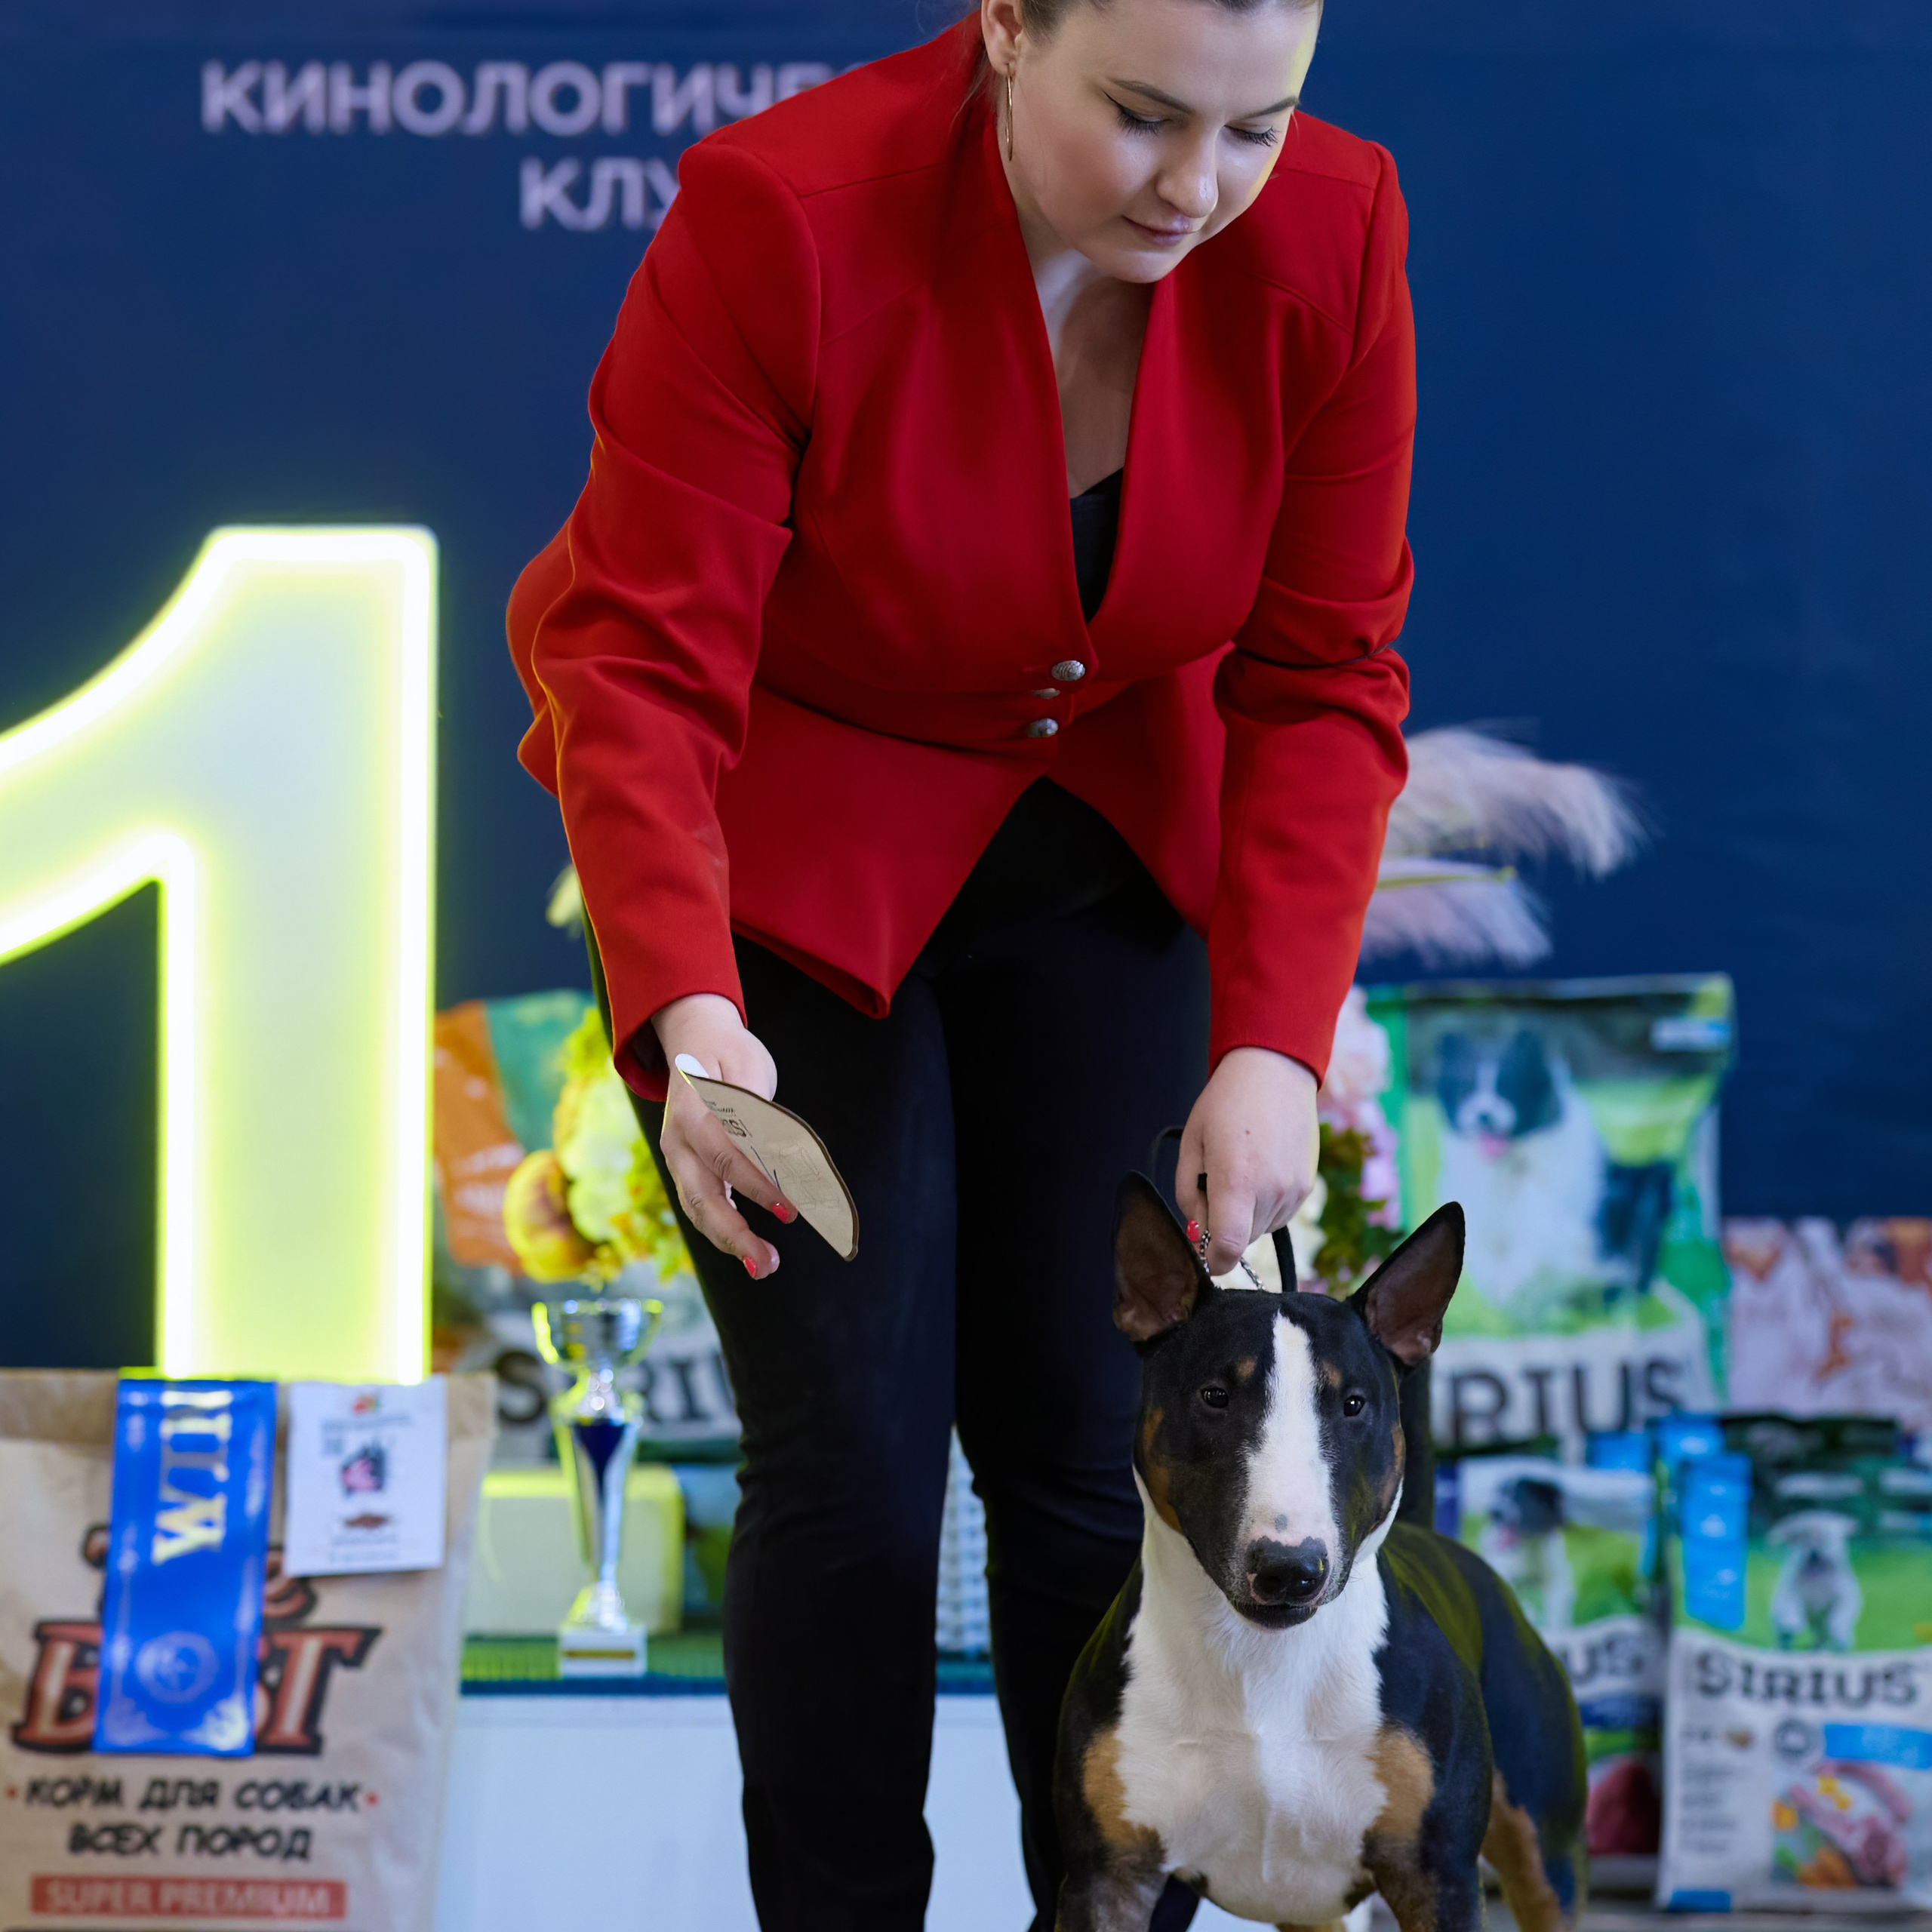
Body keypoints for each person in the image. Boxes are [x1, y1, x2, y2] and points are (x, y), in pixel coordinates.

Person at [507, 0, 1420, 1922]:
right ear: (1007, 26)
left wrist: (1271, 1040)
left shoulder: (1335, 228)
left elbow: (1322, 674)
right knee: (845, 1469)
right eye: (1144, 116)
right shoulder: (778, 215)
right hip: (796, 869)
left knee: (1099, 1459)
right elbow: (639, 659)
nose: (1197, 187)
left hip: (1107, 857)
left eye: (1253, 130)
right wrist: (684, 1012)